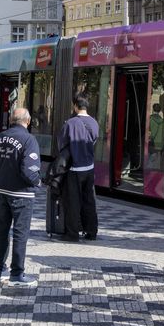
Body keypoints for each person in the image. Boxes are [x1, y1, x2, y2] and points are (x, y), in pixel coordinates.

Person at [0, 107, 41, 287]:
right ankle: (17, 274)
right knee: (20, 232)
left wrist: (3, 179)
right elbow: (29, 170)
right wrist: (37, 182)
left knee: (2, 230)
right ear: (28, 120)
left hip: (2, 192)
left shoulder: (1, 137)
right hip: (22, 194)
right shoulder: (29, 139)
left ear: (11, 120)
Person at [58, 95, 100, 242]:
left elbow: (62, 144)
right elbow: (94, 140)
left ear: (75, 106)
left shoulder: (70, 123)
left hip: (74, 168)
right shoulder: (94, 123)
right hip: (89, 167)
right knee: (89, 200)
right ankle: (91, 232)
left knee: (73, 201)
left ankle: (72, 233)